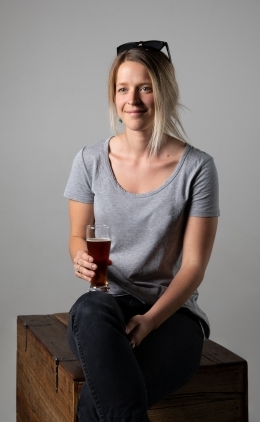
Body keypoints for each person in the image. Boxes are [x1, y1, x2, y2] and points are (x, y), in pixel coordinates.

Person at [64, 40, 219, 422]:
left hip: (172, 316)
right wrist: (79, 256)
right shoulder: (89, 160)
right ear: (113, 96)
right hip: (105, 311)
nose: (132, 99)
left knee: (94, 404)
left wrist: (149, 321)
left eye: (145, 87)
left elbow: (194, 266)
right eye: (123, 88)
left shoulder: (197, 168)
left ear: (163, 93)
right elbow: (76, 236)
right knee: (88, 306)